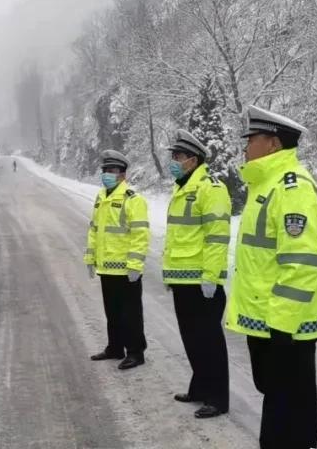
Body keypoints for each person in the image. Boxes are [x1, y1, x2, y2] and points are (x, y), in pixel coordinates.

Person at [226, 106, 317, 449]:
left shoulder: (292, 188)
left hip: (287, 319)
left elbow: (303, 262)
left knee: (295, 398)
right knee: (276, 393)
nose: (245, 147)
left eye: (251, 140)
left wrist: (283, 321)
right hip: (268, 316)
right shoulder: (266, 185)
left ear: (272, 143)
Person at [162, 129, 231, 419]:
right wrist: (169, 273)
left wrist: (210, 277)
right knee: (191, 339)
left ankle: (218, 397)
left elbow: (217, 236)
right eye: (174, 157)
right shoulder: (182, 187)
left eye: (178, 157)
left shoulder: (210, 188)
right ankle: (200, 387)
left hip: (201, 281)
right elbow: (178, 236)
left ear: (193, 159)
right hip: (182, 278)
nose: (174, 161)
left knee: (209, 341)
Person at [84, 150, 150, 370]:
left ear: (122, 174)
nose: (106, 174)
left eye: (111, 171)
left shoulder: (133, 199)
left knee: (130, 313)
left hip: (126, 269)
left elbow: (140, 234)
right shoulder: (101, 197)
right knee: (112, 311)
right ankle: (115, 347)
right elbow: (94, 230)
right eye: (104, 171)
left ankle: (135, 352)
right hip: (106, 267)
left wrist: (135, 264)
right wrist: (90, 257)